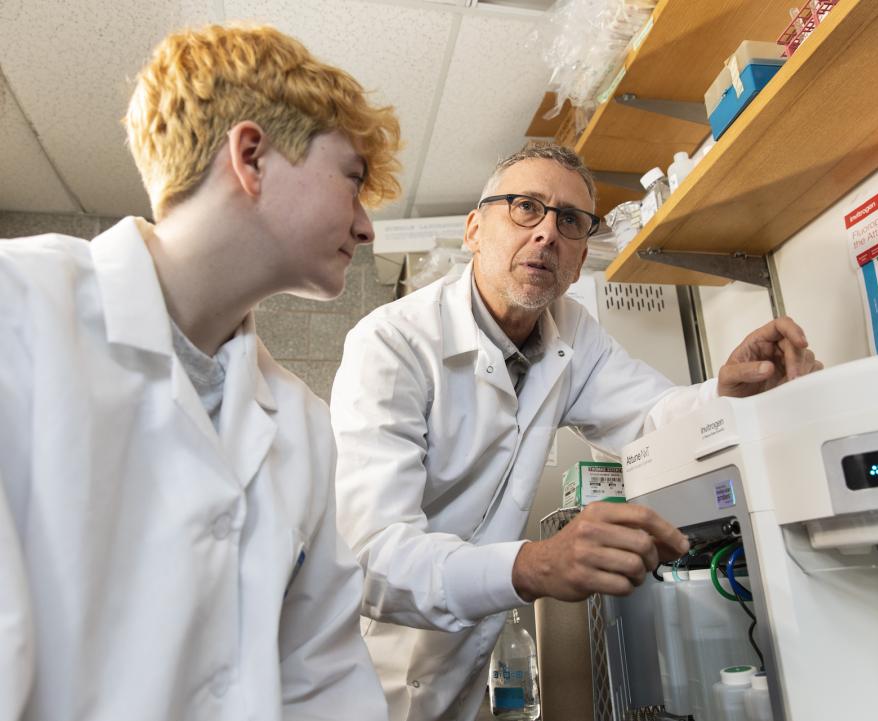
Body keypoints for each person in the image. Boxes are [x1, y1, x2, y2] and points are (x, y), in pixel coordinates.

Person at [330, 142, 821, 721]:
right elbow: (372, 556)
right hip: (356, 677)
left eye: (569, 220)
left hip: (457, 683)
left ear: (582, 251)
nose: (546, 233)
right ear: (474, 230)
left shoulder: (571, 332)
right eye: (524, 208)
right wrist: (533, 564)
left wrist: (729, 390)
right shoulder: (392, 344)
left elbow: (649, 418)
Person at [0, 24, 400, 721]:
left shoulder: (302, 423)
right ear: (252, 156)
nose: (367, 228)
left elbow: (321, 680)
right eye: (353, 179)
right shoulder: (18, 311)